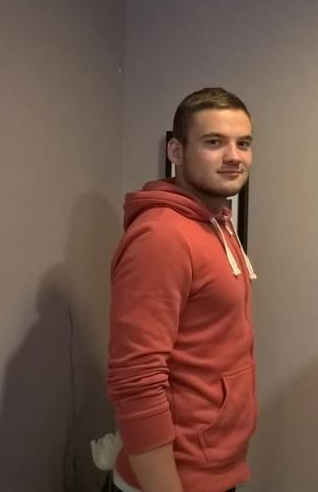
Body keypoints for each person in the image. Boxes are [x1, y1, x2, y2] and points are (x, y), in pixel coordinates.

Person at [108, 88, 257, 492]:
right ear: (176, 151)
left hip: (215, 468)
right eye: (214, 142)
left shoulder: (216, 221)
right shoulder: (161, 237)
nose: (234, 156)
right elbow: (136, 379)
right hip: (173, 480)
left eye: (243, 144)